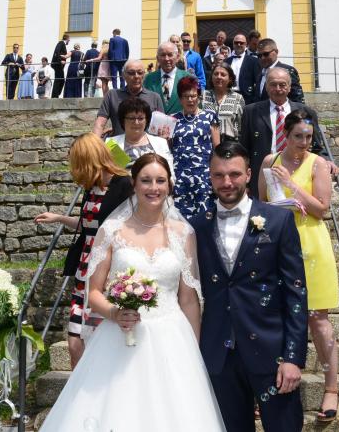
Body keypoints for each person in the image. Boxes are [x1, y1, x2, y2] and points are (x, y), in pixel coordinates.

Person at [39, 153, 226, 432]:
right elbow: (93, 292)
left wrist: (194, 352)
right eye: (146, 180)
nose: (154, 187)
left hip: (172, 338)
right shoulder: (111, 230)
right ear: (134, 184)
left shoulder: (183, 233)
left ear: (169, 185)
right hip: (119, 336)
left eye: (160, 181)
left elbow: (188, 299)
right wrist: (114, 312)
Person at [192, 141, 308, 432]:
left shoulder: (279, 221)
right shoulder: (196, 227)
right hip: (219, 356)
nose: (226, 182)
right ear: (209, 176)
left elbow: (296, 293)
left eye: (234, 174)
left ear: (248, 174)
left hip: (272, 353)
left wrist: (293, 358)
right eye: (218, 175)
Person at [258, 108, 339, 423]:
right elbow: (261, 204)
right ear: (286, 134)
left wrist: (291, 185)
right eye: (298, 136)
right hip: (278, 244)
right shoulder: (270, 162)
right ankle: (270, 386)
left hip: (311, 243)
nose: (304, 142)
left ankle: (332, 388)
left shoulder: (318, 164)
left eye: (308, 137)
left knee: (317, 319)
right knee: (275, 317)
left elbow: (321, 208)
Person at [34, 133, 134, 367]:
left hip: (108, 273)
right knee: (75, 343)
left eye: (76, 162)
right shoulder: (91, 187)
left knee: (103, 343)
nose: (74, 170)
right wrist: (59, 218)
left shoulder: (124, 185)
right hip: (84, 270)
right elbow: (89, 225)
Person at [239, 67, 326, 197]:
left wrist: (327, 161)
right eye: (273, 84)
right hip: (262, 176)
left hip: (298, 176)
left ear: (289, 87)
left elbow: (317, 146)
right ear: (266, 87)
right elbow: (243, 149)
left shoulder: (306, 112)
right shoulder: (251, 112)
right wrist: (244, 182)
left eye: (282, 85)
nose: (278, 88)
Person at [169, 76, 220, 220]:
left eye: (193, 96)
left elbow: (217, 148)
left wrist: (216, 175)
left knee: (205, 219)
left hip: (204, 177)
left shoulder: (210, 116)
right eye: (186, 96)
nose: (190, 100)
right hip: (180, 178)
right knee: (180, 220)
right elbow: (168, 149)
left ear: (199, 97)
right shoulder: (172, 119)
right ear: (180, 99)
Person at [92, 59, 164, 137]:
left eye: (140, 73)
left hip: (147, 144)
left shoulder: (155, 98)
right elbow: (100, 123)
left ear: (144, 75)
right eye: (131, 73)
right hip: (118, 144)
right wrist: (94, 142)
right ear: (124, 75)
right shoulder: (112, 95)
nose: (136, 76)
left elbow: (162, 127)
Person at [107, 98, 174, 176]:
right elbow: (109, 174)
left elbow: (170, 174)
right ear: (123, 120)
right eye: (131, 118)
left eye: (140, 118)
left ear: (147, 120)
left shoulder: (160, 142)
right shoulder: (112, 144)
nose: (136, 122)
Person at [243, 38, 305, 105]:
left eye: (266, 54)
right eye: (259, 55)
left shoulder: (286, 71)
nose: (262, 58)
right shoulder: (260, 72)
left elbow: (297, 99)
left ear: (276, 52)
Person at [143, 42, 193, 115]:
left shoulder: (187, 78)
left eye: (170, 55)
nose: (166, 59)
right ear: (158, 58)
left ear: (177, 57)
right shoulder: (148, 79)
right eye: (163, 55)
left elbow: (194, 104)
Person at [203, 63, 245, 143]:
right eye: (216, 74)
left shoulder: (238, 98)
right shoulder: (203, 96)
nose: (219, 77)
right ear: (211, 77)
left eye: (223, 74)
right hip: (206, 144)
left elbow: (241, 126)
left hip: (229, 144)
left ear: (230, 79)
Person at [51, 34, 70, 98]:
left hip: (59, 65)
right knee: (59, 80)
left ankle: (56, 94)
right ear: (67, 39)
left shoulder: (62, 44)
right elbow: (57, 52)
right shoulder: (61, 43)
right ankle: (55, 95)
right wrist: (60, 61)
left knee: (60, 80)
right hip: (57, 64)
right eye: (69, 40)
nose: (69, 41)